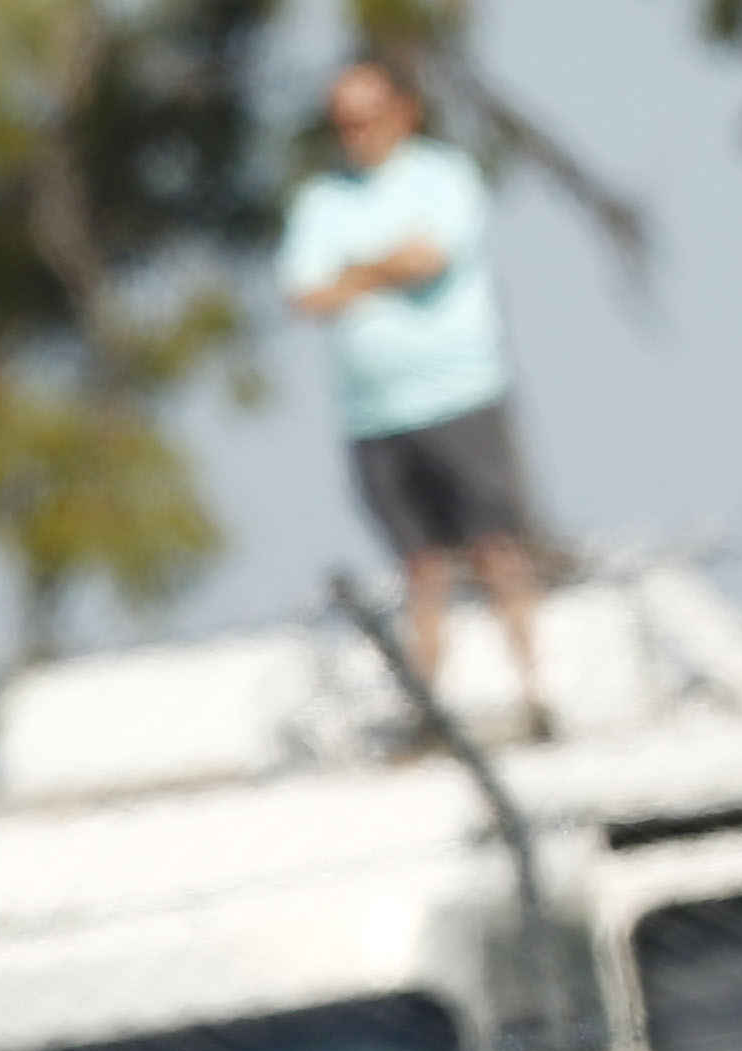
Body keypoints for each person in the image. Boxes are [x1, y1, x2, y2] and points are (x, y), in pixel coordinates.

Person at [283, 56, 550, 737]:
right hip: (375, 414)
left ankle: (536, 695)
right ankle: (430, 713)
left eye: (368, 118)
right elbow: (306, 294)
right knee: (419, 568)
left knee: (496, 549)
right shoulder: (321, 201)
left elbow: (428, 259)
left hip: (461, 397)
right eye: (343, 123)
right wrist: (382, 266)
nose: (357, 134)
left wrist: (352, 272)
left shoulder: (442, 177)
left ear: (403, 112)